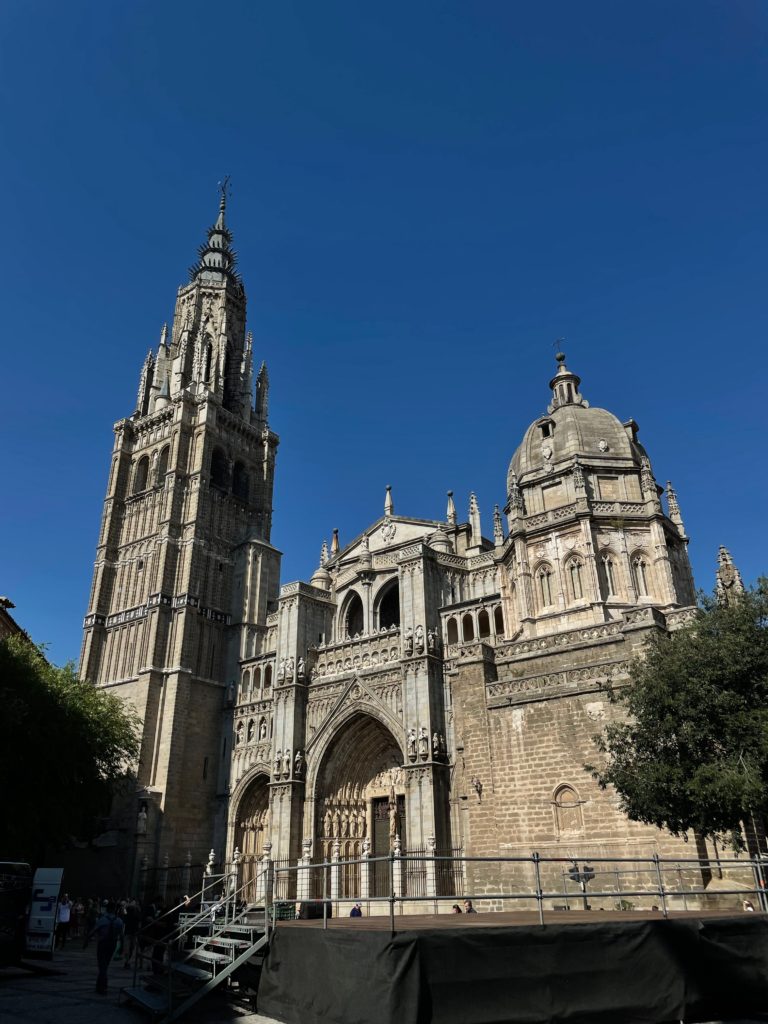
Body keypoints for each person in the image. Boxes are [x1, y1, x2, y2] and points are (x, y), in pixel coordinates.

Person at [87, 901, 125, 995]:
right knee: (105, 965)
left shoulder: (103, 919)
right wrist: (122, 947)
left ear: (107, 909)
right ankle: (99, 985)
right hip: (112, 944)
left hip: (103, 944)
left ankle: (103, 986)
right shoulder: (119, 920)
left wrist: (86, 941)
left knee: (102, 965)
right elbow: (122, 936)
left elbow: (93, 931)